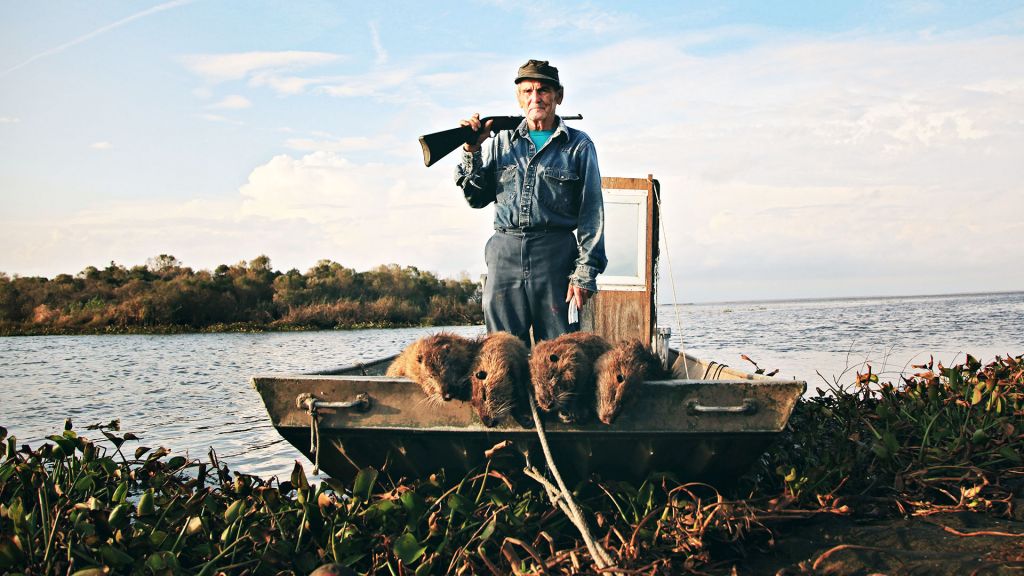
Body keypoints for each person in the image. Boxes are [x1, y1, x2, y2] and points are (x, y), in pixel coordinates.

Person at [456, 59, 606, 344]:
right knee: (503, 351)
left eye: (543, 91)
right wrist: (471, 148)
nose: (535, 98)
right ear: (518, 97)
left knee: (560, 353)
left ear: (558, 96)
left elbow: (592, 213)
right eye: (527, 91)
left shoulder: (579, 145)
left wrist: (584, 272)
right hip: (504, 254)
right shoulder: (501, 141)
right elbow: (475, 198)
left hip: (556, 256)